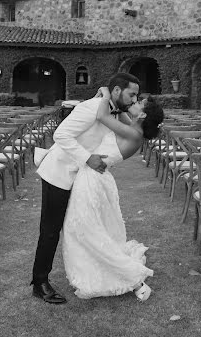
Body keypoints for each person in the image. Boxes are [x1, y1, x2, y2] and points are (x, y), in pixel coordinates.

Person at [31, 72, 141, 304]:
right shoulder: (92, 108)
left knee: (78, 228)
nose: (134, 99)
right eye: (132, 94)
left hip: (80, 178)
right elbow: (60, 134)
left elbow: (130, 122)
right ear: (118, 91)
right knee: (50, 230)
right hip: (58, 174)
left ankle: (88, 273)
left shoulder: (113, 110)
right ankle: (39, 283)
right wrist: (87, 158)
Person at [62, 87, 164, 302]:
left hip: (93, 179)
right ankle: (97, 268)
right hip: (97, 176)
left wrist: (106, 95)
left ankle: (134, 280)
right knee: (90, 227)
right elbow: (123, 113)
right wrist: (122, 102)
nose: (134, 102)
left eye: (139, 103)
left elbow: (102, 116)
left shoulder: (134, 133)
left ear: (143, 114)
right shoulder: (132, 126)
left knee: (86, 228)